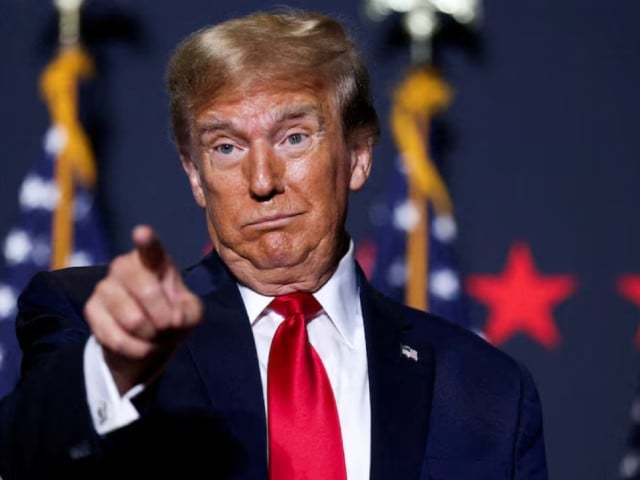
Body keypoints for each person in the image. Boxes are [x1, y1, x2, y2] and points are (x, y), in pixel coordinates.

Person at [0, 8, 548, 480]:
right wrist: (113, 367)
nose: (262, 179)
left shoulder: (487, 390)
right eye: (227, 146)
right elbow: (24, 456)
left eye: (293, 137)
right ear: (194, 175)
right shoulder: (95, 325)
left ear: (359, 155)